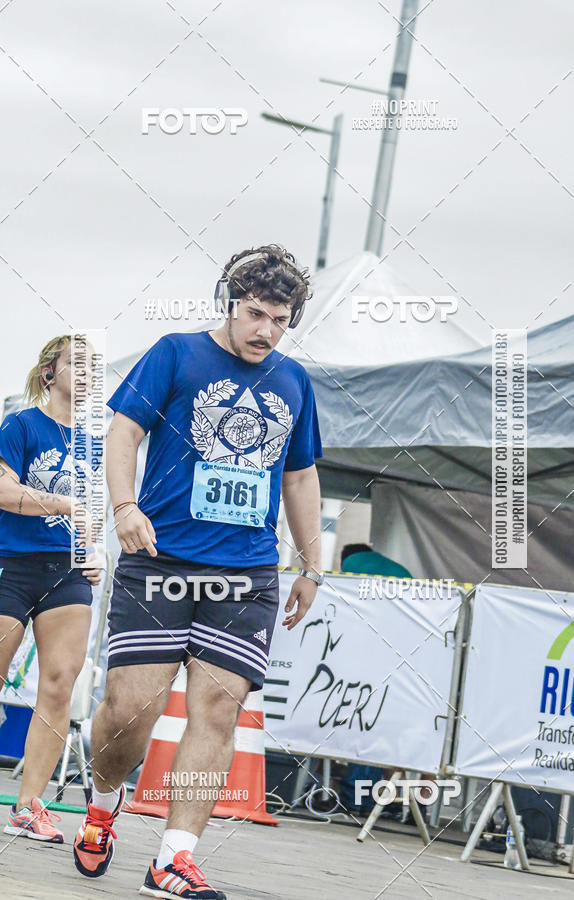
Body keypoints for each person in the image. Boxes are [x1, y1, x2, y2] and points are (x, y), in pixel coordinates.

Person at [73, 245, 324, 898]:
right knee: (130, 711)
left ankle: (173, 859)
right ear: (230, 304)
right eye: (255, 313)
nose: (266, 330)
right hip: (160, 561)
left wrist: (312, 564)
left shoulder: (294, 381)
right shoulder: (176, 353)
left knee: (217, 709)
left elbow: (300, 475)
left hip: (247, 573)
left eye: (280, 319)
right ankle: (103, 800)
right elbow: (123, 433)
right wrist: (124, 507)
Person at [0, 335, 102, 842]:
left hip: (66, 571)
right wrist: (64, 505)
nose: (86, 372)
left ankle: (28, 806)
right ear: (49, 373)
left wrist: (93, 551)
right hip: (11, 563)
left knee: (61, 682)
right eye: (75, 363)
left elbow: (94, 512)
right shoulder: (20, 425)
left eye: (93, 365)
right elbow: (3, 491)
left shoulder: (95, 444)